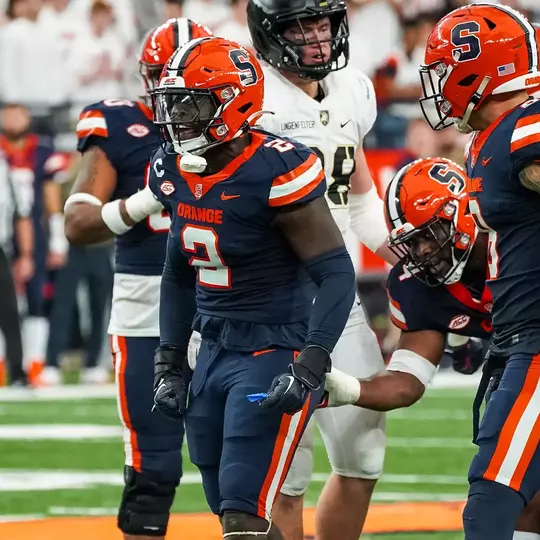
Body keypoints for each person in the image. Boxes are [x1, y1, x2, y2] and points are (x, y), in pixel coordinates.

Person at [148, 36, 356, 540]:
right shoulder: (175, 167)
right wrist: (169, 361)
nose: (177, 117)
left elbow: (336, 273)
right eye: (172, 103)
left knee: (243, 512)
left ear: (231, 102)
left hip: (271, 345)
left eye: (190, 103)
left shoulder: (277, 168)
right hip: (212, 347)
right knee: (231, 511)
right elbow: (178, 271)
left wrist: (311, 363)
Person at [324, 156, 540, 540]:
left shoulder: (517, 238)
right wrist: (345, 387)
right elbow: (408, 379)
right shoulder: (417, 286)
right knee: (519, 495)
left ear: (463, 214)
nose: (422, 251)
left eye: (429, 234)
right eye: (412, 241)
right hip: (518, 361)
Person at [246, 1, 394, 539]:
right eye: (299, 26)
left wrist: (405, 252)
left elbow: (356, 199)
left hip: (339, 301)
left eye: (323, 23)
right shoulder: (250, 99)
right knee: (283, 474)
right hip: (271, 305)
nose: (315, 36)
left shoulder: (352, 86)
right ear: (269, 33)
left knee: (363, 457)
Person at [63, 18, 212, 540]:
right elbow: (78, 224)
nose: (172, 92)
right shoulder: (118, 126)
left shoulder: (246, 127)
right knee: (154, 459)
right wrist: (149, 197)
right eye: (162, 77)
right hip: (147, 301)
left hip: (227, 300)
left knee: (239, 457)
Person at [417, 4, 540, 539]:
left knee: (491, 497)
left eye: (445, 72)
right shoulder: (491, 138)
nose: (439, 89)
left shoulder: (527, 127)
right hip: (518, 334)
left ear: (480, 69)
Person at [0, 102, 66, 385]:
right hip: (9, 230)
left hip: (31, 228)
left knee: (36, 298)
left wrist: (56, 238)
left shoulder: (42, 150)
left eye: (19, 114)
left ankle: (34, 362)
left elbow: (50, 196)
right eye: (9, 115)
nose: (14, 120)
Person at [0, 149, 31, 386]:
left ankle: (18, 371)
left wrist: (26, 254)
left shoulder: (3, 165)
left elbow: (20, 214)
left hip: (1, 249)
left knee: (9, 312)